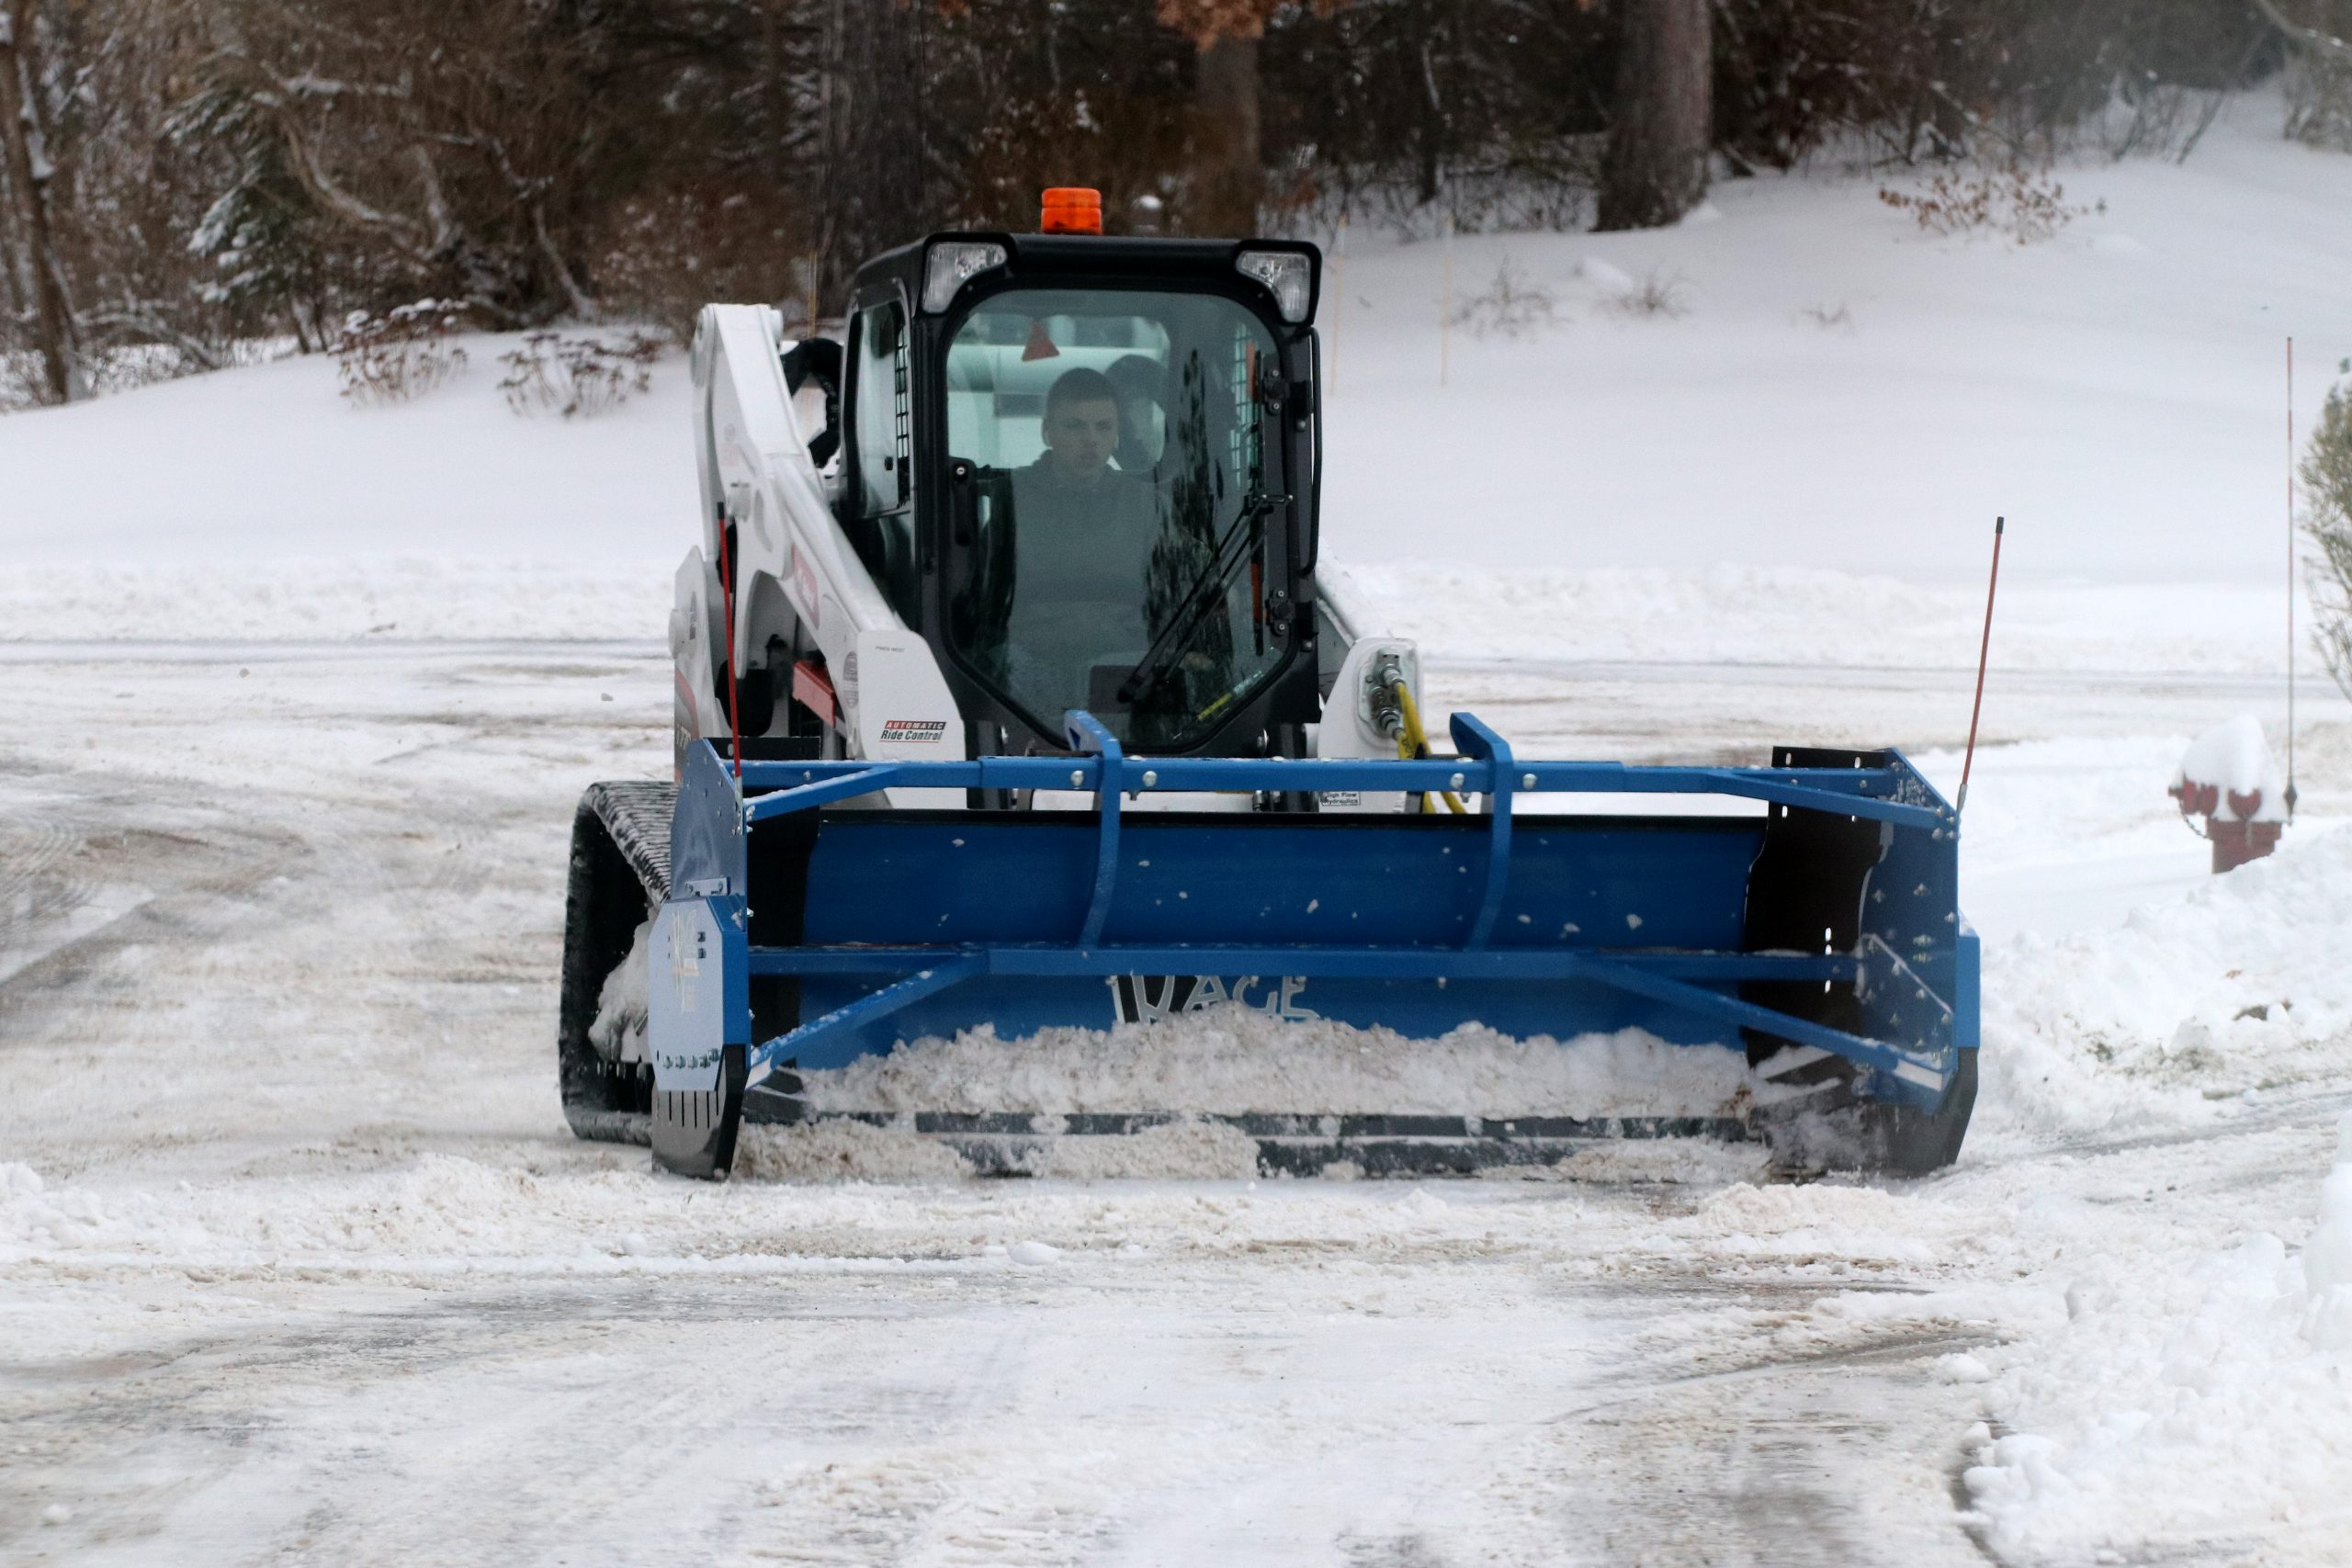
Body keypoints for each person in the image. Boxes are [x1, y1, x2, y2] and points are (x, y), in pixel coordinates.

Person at [1004, 368, 1166, 716]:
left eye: (1103, 427)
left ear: (1117, 434)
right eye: (1075, 426)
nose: (1090, 439)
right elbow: (979, 608)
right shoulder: (1012, 502)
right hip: (1028, 671)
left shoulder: (1146, 506)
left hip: (1128, 672)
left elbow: (1184, 594)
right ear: (1047, 432)